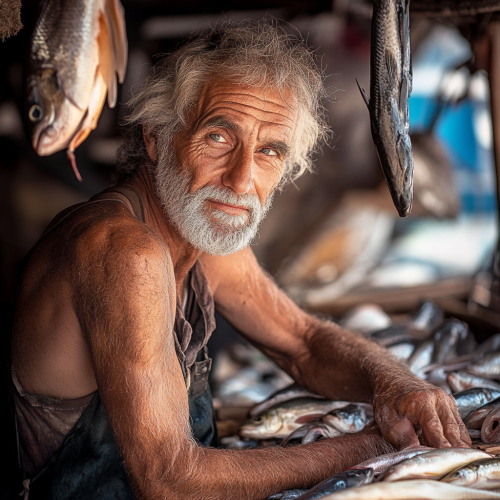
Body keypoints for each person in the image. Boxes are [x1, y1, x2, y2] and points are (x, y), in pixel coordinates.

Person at [9, 20, 470, 500]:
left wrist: (397, 384)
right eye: (219, 137)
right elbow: (169, 480)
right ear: (156, 137)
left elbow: (303, 342)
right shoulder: (126, 251)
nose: (242, 177)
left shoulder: (195, 237)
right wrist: (375, 446)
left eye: (270, 150)